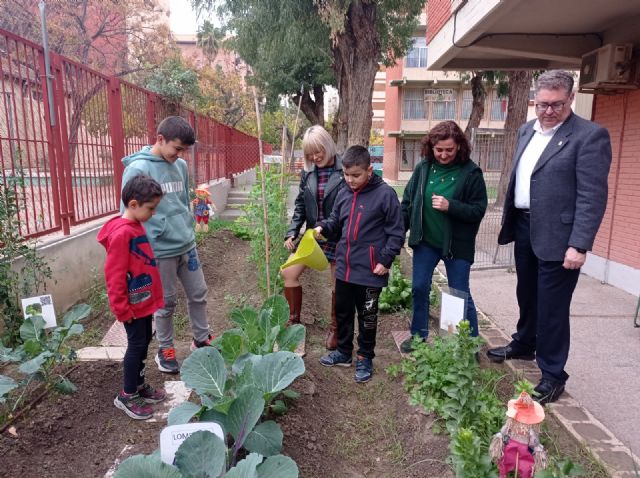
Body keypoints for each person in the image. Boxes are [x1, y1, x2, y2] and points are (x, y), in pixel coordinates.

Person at [486, 70, 612, 404]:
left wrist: (579, 244)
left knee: (553, 308)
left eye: (556, 104)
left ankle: (554, 374)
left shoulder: (589, 136)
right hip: (526, 228)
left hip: (561, 237)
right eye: (542, 104)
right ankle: (525, 343)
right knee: (526, 294)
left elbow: (592, 196)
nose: (549, 111)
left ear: (570, 98)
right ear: (535, 101)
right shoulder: (527, 130)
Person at [121, 116, 211, 374]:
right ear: (160, 139)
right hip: (159, 251)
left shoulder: (180, 165)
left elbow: (183, 202)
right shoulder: (138, 169)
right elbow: (126, 216)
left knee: (199, 293)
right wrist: (136, 255)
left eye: (184, 150)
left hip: (186, 244)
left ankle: (201, 339)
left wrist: (187, 227)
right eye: (177, 148)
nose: (180, 154)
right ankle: (166, 349)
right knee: (165, 302)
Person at [314, 145, 404, 383]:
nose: (350, 180)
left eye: (356, 175)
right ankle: (343, 352)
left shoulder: (385, 195)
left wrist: (385, 260)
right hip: (345, 267)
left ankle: (365, 357)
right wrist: (324, 227)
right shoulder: (344, 192)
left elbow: (396, 233)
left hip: (371, 271)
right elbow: (336, 220)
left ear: (369, 170)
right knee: (343, 312)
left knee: (367, 316)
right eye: (346, 175)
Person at [400, 121, 488, 353]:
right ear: (431, 147)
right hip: (426, 242)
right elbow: (407, 203)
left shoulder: (471, 173)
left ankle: (466, 346)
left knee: (458, 294)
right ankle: (418, 336)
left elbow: (478, 209)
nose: (444, 154)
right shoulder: (423, 168)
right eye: (439, 149)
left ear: (459, 146)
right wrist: (399, 231)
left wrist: (452, 206)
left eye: (449, 149)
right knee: (419, 287)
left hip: (456, 245)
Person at [97, 175, 166, 420]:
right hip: (133, 308)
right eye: (151, 208)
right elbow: (114, 276)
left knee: (145, 340)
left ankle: (138, 385)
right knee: (136, 346)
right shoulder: (122, 234)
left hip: (143, 302)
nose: (153, 213)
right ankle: (127, 395)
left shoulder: (135, 226)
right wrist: (122, 310)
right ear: (134, 204)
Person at [282, 125, 346, 349]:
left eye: (318, 151)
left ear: (328, 146)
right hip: (312, 236)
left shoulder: (343, 169)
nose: (315, 157)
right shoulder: (308, 172)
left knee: (338, 283)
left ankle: (335, 328)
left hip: (337, 235)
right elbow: (300, 204)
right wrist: (292, 232)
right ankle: (294, 322)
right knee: (288, 272)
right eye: (310, 153)